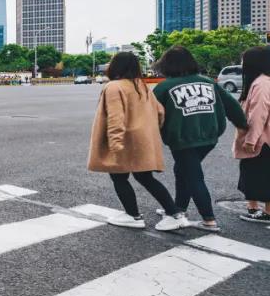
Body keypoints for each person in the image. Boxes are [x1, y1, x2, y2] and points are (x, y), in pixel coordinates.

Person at [154, 45, 247, 233]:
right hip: (210, 138)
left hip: (182, 139)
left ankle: (208, 219)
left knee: (194, 176)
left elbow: (150, 115)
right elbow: (232, 105)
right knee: (183, 171)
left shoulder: (164, 86)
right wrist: (242, 125)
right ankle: (178, 209)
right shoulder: (207, 82)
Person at [88, 51, 180, 229]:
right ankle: (174, 212)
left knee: (119, 177)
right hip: (141, 139)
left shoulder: (114, 87)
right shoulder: (141, 85)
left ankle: (133, 215)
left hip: (124, 139)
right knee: (146, 177)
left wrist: (115, 143)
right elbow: (160, 112)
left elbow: (115, 117)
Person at [234, 46, 270, 222]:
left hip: (262, 140)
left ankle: (266, 212)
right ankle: (253, 207)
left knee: (260, 174)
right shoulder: (259, 81)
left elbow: (258, 115)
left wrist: (251, 140)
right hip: (263, 139)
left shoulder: (261, 84)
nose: (242, 64)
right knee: (251, 173)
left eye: (243, 60)